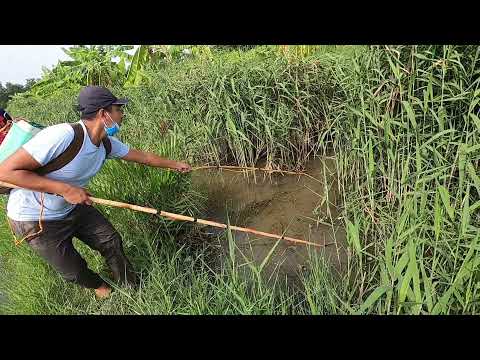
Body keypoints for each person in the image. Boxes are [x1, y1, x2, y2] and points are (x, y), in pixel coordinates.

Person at [0, 86, 191, 299]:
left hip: (73, 205)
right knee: (73, 272)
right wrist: (64, 189)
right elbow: (5, 172)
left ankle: (131, 288)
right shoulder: (62, 135)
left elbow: (142, 157)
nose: (122, 114)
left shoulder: (105, 144)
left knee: (111, 241)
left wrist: (175, 164)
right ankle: (101, 287)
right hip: (34, 218)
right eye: (119, 109)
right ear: (103, 114)